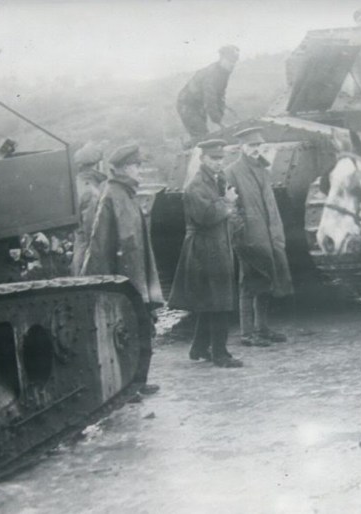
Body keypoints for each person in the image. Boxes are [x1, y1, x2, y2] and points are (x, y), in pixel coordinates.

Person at [81, 144, 165, 396]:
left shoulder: (127, 194)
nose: (140, 170)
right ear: (124, 168)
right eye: (137, 166)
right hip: (124, 280)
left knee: (143, 327)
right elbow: (100, 244)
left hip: (137, 277)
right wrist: (102, 283)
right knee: (126, 332)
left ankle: (139, 381)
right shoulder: (112, 195)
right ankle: (128, 388)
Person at [168, 139, 244, 368]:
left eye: (221, 158)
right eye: (214, 158)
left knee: (211, 299)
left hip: (217, 245)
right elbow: (207, 216)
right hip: (204, 248)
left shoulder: (217, 180)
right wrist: (228, 202)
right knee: (218, 300)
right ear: (203, 158)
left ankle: (199, 348)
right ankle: (220, 353)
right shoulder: (197, 185)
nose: (219, 163)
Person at [225, 127, 293, 347]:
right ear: (242, 147)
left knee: (266, 280)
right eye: (251, 146)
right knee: (248, 283)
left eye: (258, 146)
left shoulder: (263, 169)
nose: (256, 150)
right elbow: (231, 206)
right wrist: (240, 232)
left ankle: (261, 328)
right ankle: (247, 333)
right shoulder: (233, 171)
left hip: (268, 234)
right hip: (249, 236)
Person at [176, 45, 240, 139]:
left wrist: (220, 116)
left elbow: (220, 96)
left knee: (203, 134)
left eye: (234, 62)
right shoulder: (212, 73)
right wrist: (218, 121)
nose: (232, 64)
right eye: (230, 61)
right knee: (201, 135)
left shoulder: (224, 73)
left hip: (198, 104)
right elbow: (210, 99)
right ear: (222, 58)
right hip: (187, 104)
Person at [71, 142, 106, 275]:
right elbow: (92, 232)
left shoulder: (76, 184)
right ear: (97, 165)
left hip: (78, 244)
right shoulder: (91, 191)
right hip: (86, 253)